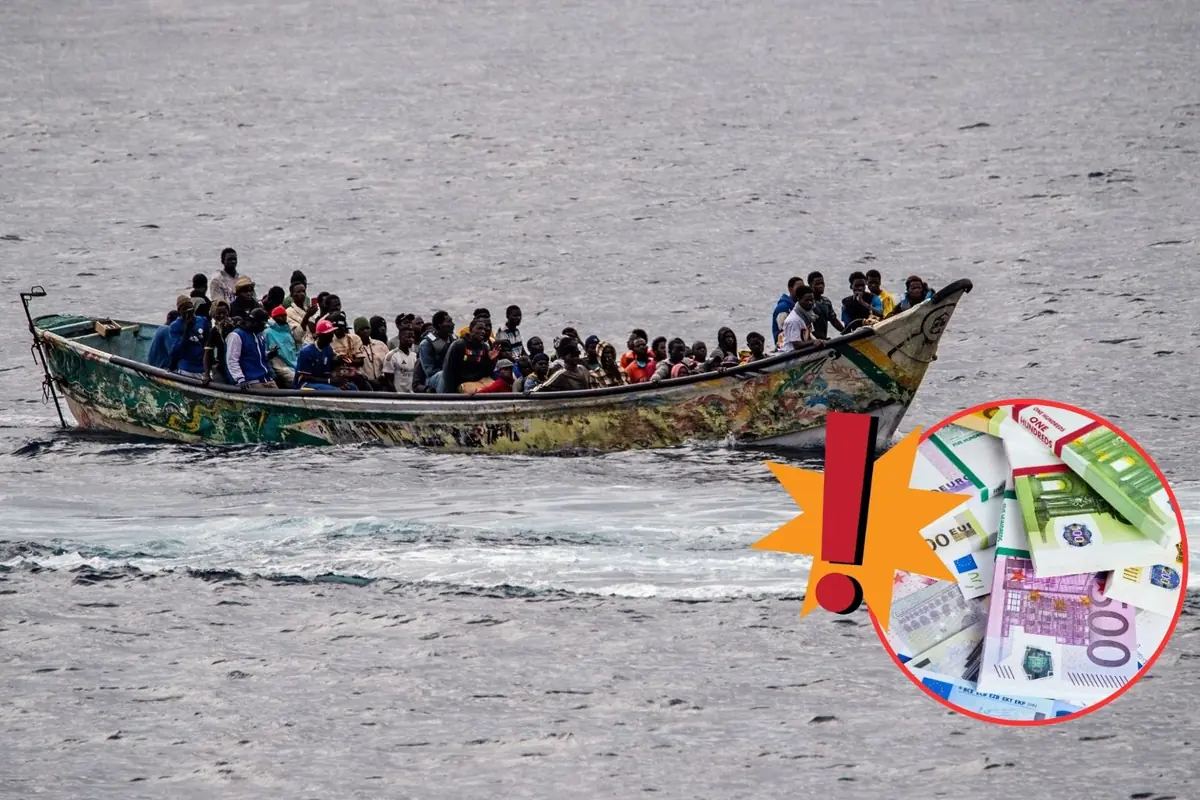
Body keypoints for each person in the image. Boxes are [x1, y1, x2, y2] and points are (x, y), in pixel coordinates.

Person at [440, 317, 496, 394]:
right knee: (481, 392)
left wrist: (491, 360)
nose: (483, 331)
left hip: (480, 380)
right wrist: (450, 394)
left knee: (499, 387)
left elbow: (486, 372)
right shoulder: (458, 345)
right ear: (471, 329)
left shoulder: (484, 347)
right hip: (463, 382)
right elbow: (448, 371)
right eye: (479, 328)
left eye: (484, 330)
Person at [224, 308, 277, 390]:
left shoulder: (259, 335)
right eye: (263, 324)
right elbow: (232, 360)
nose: (265, 326)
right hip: (250, 381)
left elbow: (256, 356)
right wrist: (240, 379)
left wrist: (269, 354)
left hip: (266, 379)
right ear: (254, 322)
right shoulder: (236, 335)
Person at [167, 297, 209, 378]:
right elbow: (176, 350)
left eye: (190, 308)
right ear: (179, 311)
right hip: (186, 368)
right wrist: (187, 330)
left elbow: (207, 343)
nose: (187, 312)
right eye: (184, 309)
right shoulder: (175, 326)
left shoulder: (202, 321)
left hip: (202, 368)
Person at [294, 320, 341, 391]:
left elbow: (326, 373)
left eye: (332, 335)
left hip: (320, 382)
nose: (331, 339)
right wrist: (329, 381)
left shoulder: (328, 349)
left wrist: (337, 380)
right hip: (305, 383)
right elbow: (305, 377)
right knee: (336, 391)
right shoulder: (306, 351)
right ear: (320, 336)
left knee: (351, 387)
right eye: (329, 335)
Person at [329, 313, 368, 390]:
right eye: (336, 329)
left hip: (355, 375)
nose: (338, 331)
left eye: (340, 328)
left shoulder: (354, 339)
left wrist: (345, 360)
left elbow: (360, 361)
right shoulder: (329, 340)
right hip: (335, 376)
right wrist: (336, 360)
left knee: (366, 386)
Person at [420, 310, 455, 392]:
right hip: (434, 378)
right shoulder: (426, 344)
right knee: (444, 375)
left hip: (452, 374)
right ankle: (443, 400)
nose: (453, 324)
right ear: (440, 325)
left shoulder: (455, 340)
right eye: (449, 322)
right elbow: (429, 371)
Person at [264, 306, 298, 387]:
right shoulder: (267, 333)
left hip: (294, 363)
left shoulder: (288, 331)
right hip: (280, 365)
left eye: (284, 315)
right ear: (275, 317)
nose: (283, 317)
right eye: (280, 316)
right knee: (297, 379)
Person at [202, 300, 234, 383]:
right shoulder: (214, 331)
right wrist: (206, 374)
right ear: (214, 316)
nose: (222, 316)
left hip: (235, 365)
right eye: (219, 314)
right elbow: (207, 353)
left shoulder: (235, 326)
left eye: (224, 313)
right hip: (221, 366)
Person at [806, 271, 845, 340]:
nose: (821, 286)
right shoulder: (807, 303)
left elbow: (834, 320)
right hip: (812, 341)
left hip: (824, 339)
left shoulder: (826, 302)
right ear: (810, 285)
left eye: (822, 283)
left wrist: (845, 332)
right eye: (817, 284)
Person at [356, 316, 390, 390]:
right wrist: (369, 381)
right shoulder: (354, 348)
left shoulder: (381, 345)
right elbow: (357, 370)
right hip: (365, 385)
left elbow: (388, 363)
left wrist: (382, 376)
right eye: (362, 329)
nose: (365, 331)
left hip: (382, 384)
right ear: (357, 332)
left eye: (367, 328)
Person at [383, 325, 418, 393]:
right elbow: (388, 381)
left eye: (412, 337)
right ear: (399, 337)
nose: (411, 340)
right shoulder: (391, 356)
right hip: (399, 396)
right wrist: (397, 395)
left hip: (413, 396)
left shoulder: (415, 356)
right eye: (408, 337)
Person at [771, 276, 804, 349]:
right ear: (790, 289)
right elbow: (784, 331)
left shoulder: (801, 306)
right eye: (799, 288)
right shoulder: (783, 308)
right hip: (786, 347)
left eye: (803, 288)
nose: (802, 291)